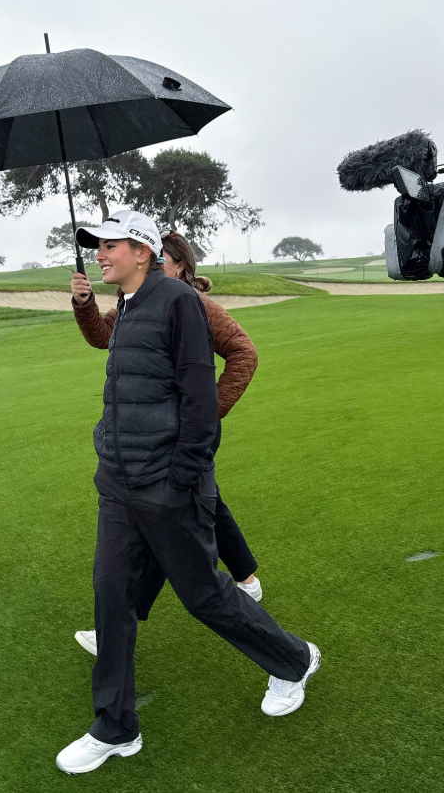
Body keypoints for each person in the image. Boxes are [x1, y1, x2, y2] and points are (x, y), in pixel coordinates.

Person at [55, 211, 319, 775]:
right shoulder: (125, 304)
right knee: (112, 597)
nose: (99, 254)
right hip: (119, 482)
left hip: (168, 484)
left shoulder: (179, 302)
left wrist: (183, 474)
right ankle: (116, 726)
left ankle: (293, 661)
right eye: (96, 246)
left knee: (204, 596)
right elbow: (110, 355)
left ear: (143, 251)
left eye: (109, 245)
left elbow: (200, 397)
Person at [70, 230, 261, 659]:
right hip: (155, 444)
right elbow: (104, 336)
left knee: (193, 527)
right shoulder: (135, 303)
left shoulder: (192, 305)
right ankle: (119, 622)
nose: (159, 270)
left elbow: (244, 353)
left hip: (183, 437)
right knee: (173, 527)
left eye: (164, 262)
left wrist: (208, 412)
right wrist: (84, 306)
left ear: (176, 266)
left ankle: (250, 593)